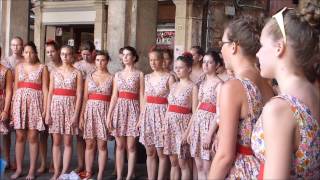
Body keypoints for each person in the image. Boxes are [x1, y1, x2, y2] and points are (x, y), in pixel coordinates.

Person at [252, 3, 320, 179]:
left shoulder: (280, 109)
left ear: (279, 47)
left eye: (261, 45)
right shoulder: (314, 93)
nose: (258, 54)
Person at [208, 16, 274, 179]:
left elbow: (225, 156)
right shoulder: (267, 84)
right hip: (263, 169)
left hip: (241, 170)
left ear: (234, 46)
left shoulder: (233, 87)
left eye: (222, 44)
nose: (220, 50)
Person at [10, 41, 49, 180]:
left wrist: (45, 108)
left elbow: (45, 89)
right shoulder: (18, 67)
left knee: (33, 137)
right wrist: (13, 108)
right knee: (20, 136)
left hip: (35, 104)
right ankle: (19, 168)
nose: (28, 54)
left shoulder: (42, 68)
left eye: (31, 52)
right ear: (23, 53)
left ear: (36, 53)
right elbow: (15, 88)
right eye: (26, 52)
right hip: (19, 104)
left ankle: (32, 170)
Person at [106, 46, 143, 180]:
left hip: (134, 109)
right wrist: (109, 115)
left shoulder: (139, 74)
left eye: (128, 55)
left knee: (131, 146)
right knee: (120, 145)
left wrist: (141, 116)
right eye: (124, 55)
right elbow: (114, 96)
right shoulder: (118, 74)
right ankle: (119, 175)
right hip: (120, 109)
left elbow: (142, 96)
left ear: (134, 58)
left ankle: (129, 176)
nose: (125, 57)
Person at [46, 45, 83, 180]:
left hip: (70, 107)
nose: (65, 57)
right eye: (62, 54)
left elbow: (79, 95)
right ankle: (56, 171)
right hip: (55, 106)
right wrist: (48, 112)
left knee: (67, 142)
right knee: (56, 142)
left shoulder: (77, 73)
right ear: (60, 55)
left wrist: (75, 114)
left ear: (72, 55)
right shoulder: (54, 72)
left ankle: (64, 171)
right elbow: (50, 92)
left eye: (67, 54)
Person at [137, 49, 175, 180]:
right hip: (148, 114)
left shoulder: (170, 77)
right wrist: (141, 117)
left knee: (161, 152)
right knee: (150, 151)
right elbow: (144, 98)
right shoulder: (146, 77)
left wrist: (168, 119)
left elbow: (173, 101)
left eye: (156, 59)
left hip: (163, 114)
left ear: (162, 60)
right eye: (151, 60)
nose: (153, 62)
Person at [187, 50, 223, 180]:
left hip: (209, 126)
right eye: (204, 62)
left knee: (208, 167)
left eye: (210, 62)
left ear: (217, 65)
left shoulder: (220, 84)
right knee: (199, 166)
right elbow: (197, 107)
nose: (206, 65)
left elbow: (219, 112)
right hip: (198, 124)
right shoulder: (201, 83)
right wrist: (191, 130)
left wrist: (209, 135)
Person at [163, 52, 198, 180]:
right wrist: (164, 126)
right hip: (170, 125)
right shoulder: (174, 85)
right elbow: (169, 106)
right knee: (173, 162)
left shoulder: (193, 87)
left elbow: (195, 113)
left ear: (189, 69)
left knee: (183, 163)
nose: (177, 70)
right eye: (176, 67)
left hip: (183, 125)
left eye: (181, 67)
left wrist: (187, 133)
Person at [79, 50, 113, 180]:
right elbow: (85, 98)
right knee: (89, 144)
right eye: (98, 60)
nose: (100, 63)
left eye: (103, 60)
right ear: (95, 61)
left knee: (102, 145)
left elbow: (114, 97)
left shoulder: (112, 77)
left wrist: (111, 116)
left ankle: (100, 174)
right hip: (90, 110)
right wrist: (82, 115)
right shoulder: (89, 77)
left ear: (107, 61)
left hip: (104, 110)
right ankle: (88, 171)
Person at [37, 40, 62, 174]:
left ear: (58, 51)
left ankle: (54, 161)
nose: (50, 54)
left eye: (52, 51)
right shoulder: (45, 66)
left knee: (55, 135)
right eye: (47, 52)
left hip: (59, 102)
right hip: (45, 100)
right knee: (43, 134)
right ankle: (42, 162)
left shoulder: (65, 65)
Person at [1, 36, 24, 170]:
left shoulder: (25, 60)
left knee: (20, 131)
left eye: (18, 45)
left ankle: (17, 160)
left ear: (22, 46)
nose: (15, 47)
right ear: (10, 46)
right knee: (6, 132)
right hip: (8, 96)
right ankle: (7, 159)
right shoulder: (5, 61)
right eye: (13, 45)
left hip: (22, 96)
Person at [73, 41, 96, 174]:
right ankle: (81, 164)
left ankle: (91, 164)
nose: (86, 57)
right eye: (83, 54)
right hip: (78, 99)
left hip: (91, 101)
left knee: (92, 134)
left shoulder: (96, 65)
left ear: (93, 53)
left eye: (88, 54)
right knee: (80, 136)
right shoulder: (77, 65)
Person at [0, 46, 13, 167]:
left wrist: (5, 110)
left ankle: (7, 160)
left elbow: (9, 90)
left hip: (2, 103)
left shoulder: (6, 71)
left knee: (5, 134)